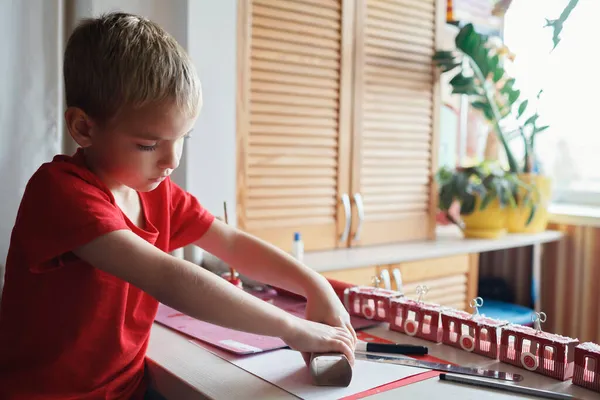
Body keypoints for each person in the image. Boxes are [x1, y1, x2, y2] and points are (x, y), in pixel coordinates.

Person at [0, 12, 357, 400]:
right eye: (148, 144)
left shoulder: (157, 191)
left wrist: (314, 284)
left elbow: (233, 245)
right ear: (84, 128)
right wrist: (292, 328)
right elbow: (171, 279)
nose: (171, 161)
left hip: (128, 389)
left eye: (183, 136)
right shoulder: (60, 193)